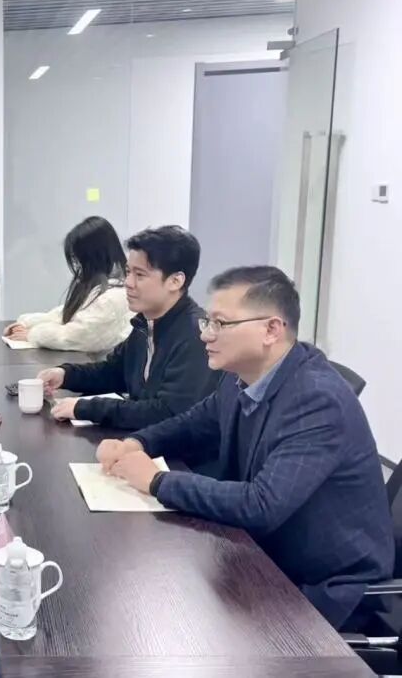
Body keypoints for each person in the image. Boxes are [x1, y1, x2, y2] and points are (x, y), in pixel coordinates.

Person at [99, 266, 393, 630]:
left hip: (321, 588)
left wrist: (157, 481)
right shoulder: (243, 376)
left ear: (271, 329)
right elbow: (195, 423)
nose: (206, 334)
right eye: (208, 321)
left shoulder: (317, 399)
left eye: (221, 323)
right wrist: (136, 442)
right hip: (261, 554)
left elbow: (261, 504)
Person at [39, 225, 218, 430]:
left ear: (175, 281)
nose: (128, 283)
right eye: (128, 272)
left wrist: (87, 408)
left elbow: (167, 413)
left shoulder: (195, 335)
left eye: (140, 275)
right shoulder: (145, 323)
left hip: (177, 449)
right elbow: (114, 372)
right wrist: (65, 375)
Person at [4, 216, 132, 352]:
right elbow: (67, 314)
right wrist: (27, 324)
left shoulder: (112, 297)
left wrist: (33, 334)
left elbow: (78, 336)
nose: (77, 265)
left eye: (79, 259)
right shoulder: (103, 285)